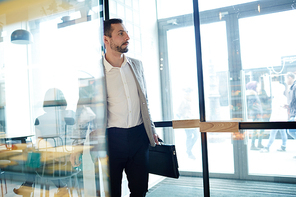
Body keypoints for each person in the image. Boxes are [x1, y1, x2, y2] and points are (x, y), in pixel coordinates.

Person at [102, 18, 159, 197]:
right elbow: (85, 110)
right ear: (106, 40)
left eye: (126, 32)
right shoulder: (96, 71)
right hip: (111, 140)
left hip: (138, 137)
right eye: (121, 33)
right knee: (112, 192)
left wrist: (151, 129)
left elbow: (145, 101)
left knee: (140, 190)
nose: (127, 37)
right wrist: (78, 144)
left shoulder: (137, 65)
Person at [13, 88, 73, 197]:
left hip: (51, 157)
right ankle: (63, 187)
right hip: (68, 156)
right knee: (40, 161)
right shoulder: (69, 116)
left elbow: (39, 141)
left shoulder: (39, 119)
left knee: (33, 158)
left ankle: (28, 186)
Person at [261, 77, 288, 152]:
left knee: (273, 133)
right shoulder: (284, 97)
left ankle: (267, 147)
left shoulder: (276, 98)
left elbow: (275, 111)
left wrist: (272, 119)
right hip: (283, 118)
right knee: (283, 132)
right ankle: (283, 146)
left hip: (277, 118)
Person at [177, 88, 198, 160]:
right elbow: (179, 112)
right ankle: (189, 152)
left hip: (193, 120)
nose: (190, 93)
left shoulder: (191, 100)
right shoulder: (183, 101)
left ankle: (188, 150)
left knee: (196, 136)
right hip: (187, 121)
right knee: (189, 136)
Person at [246, 81, 264, 150]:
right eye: (257, 86)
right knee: (256, 129)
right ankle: (253, 145)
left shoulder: (255, 94)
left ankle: (258, 143)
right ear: (254, 87)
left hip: (257, 114)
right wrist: (257, 113)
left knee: (260, 129)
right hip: (256, 115)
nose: (259, 87)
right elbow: (250, 106)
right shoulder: (252, 94)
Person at [285, 72, 296, 141]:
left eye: (285, 79)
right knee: (290, 130)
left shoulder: (295, 86)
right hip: (293, 113)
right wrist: (288, 105)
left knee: (290, 130)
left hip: (295, 114)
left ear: (290, 78)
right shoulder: (292, 87)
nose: (285, 81)